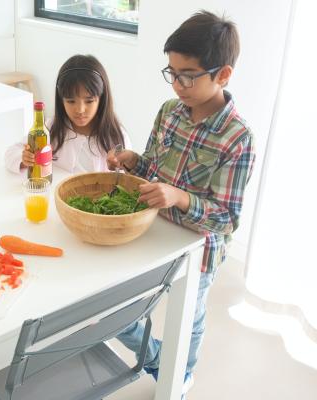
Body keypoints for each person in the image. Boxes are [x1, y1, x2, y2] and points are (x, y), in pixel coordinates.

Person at [108, 11, 255, 398]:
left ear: (223, 74)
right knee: (117, 313)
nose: (177, 84)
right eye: (171, 72)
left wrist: (180, 197)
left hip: (198, 251)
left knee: (187, 321)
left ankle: (180, 376)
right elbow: (152, 171)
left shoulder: (237, 138)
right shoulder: (168, 112)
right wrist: (132, 161)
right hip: (149, 233)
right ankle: (161, 361)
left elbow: (227, 218)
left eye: (187, 75)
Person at [5, 54, 131, 174]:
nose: (80, 109)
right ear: (61, 100)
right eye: (71, 101)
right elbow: (11, 153)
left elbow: (129, 178)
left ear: (101, 99)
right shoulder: (51, 128)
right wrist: (24, 159)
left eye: (89, 101)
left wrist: (121, 166)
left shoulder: (116, 136)